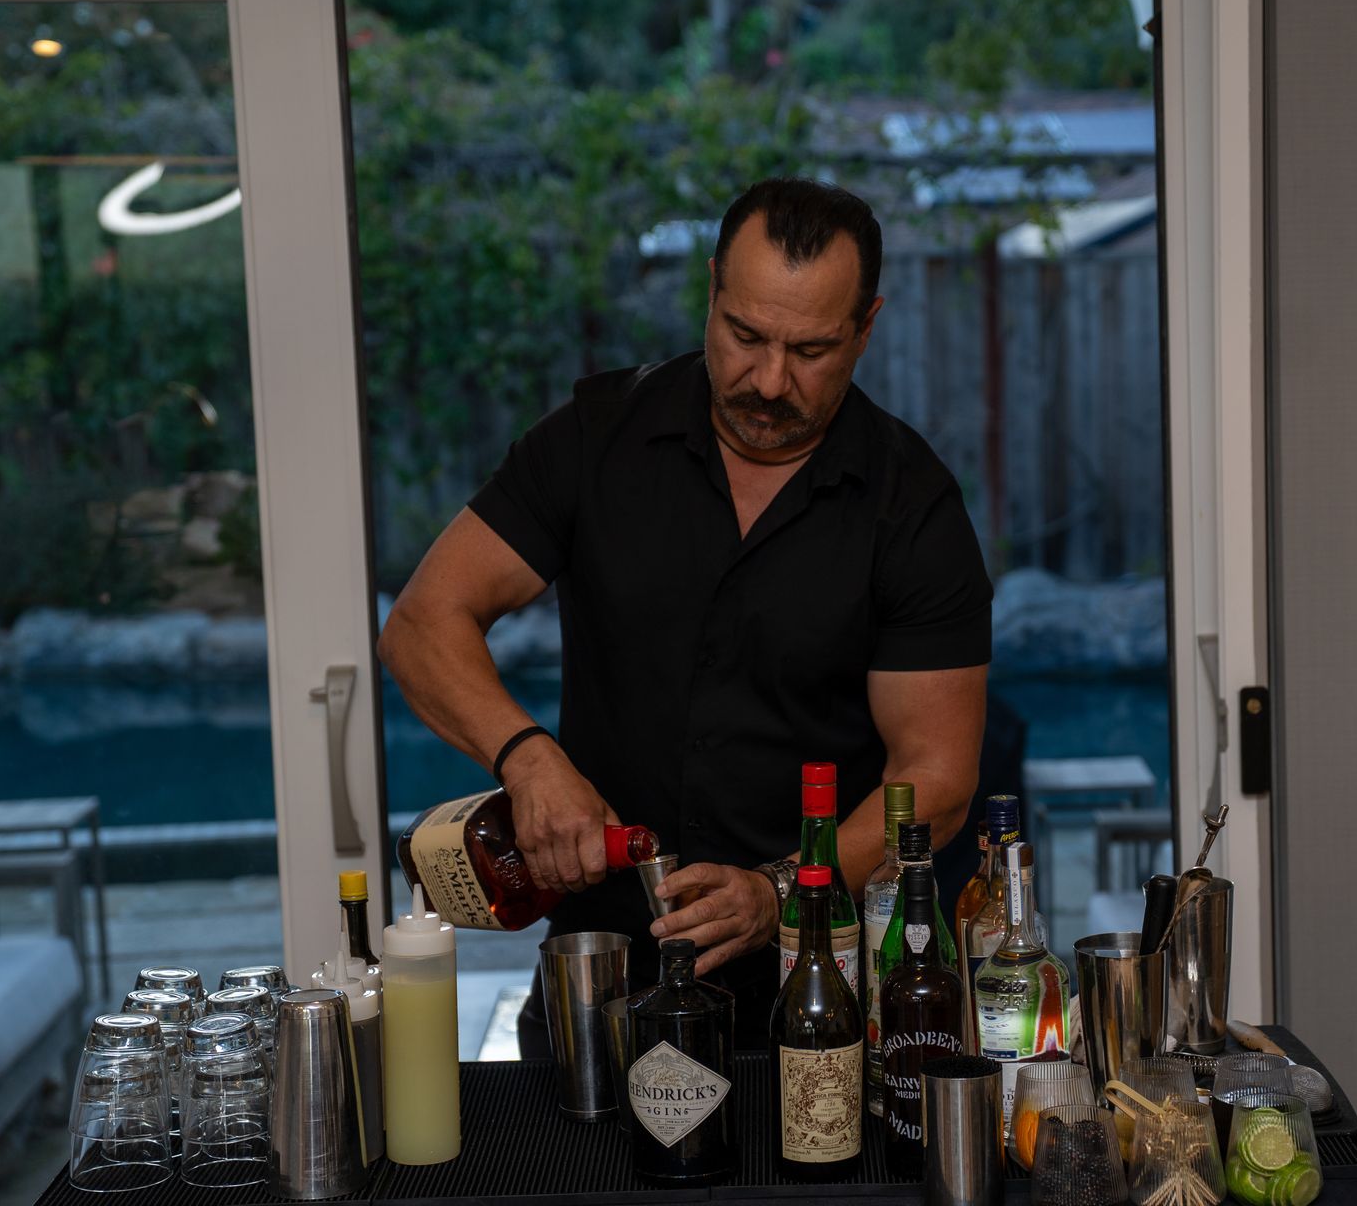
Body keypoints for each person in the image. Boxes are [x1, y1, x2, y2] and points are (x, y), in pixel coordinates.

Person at [378, 177, 991, 1053]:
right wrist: (530, 759)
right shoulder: (597, 439)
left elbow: (937, 778)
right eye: (746, 336)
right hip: (599, 978)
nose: (771, 381)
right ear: (710, 290)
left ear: (867, 325)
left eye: (812, 350)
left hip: (816, 989)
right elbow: (423, 622)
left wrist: (783, 888)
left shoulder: (911, 505)